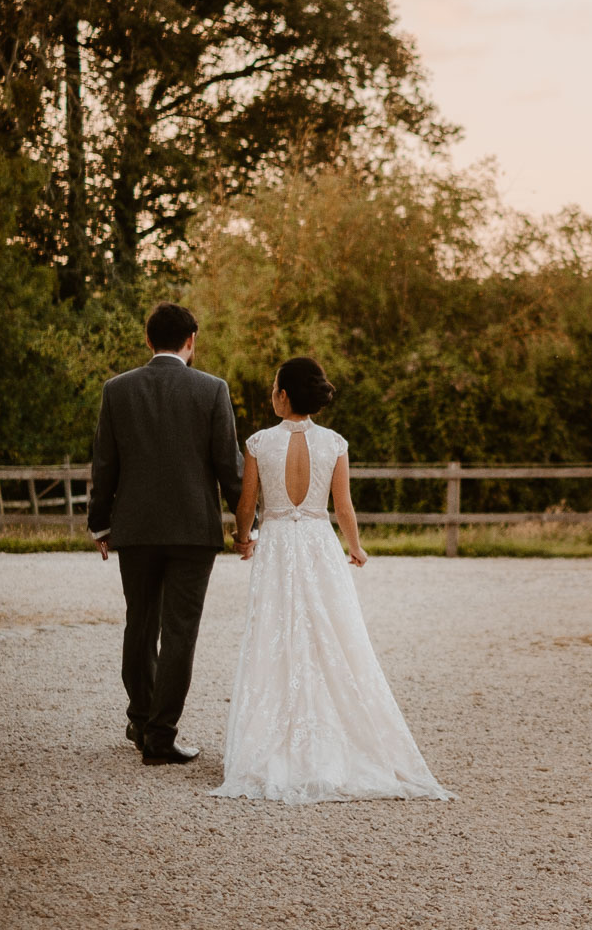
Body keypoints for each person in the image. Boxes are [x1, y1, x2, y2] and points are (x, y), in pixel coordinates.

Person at [210, 357, 450, 803]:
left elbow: (247, 505)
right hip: (319, 545)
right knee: (332, 634)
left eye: (273, 386)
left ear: (284, 395)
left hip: (279, 544)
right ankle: (336, 737)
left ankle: (275, 742)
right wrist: (355, 547)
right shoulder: (334, 443)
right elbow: (344, 508)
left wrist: (244, 538)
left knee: (275, 634)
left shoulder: (260, 443)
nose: (271, 393)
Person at [88, 302, 244, 766]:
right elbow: (228, 466)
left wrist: (101, 522)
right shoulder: (213, 389)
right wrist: (245, 524)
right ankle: (160, 734)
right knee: (179, 632)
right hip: (194, 531)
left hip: (135, 529)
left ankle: (140, 717)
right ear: (191, 340)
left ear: (147, 338)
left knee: (140, 623)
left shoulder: (117, 390)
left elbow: (105, 463)